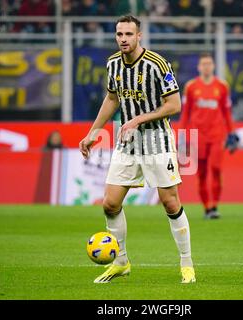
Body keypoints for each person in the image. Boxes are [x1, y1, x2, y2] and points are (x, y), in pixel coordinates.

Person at [79, 15, 195, 284]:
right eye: (119, 34)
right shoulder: (112, 64)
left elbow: (174, 105)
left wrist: (137, 119)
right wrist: (93, 133)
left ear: (139, 36)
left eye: (128, 34)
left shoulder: (157, 64)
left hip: (157, 141)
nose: (123, 39)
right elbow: (111, 98)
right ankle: (121, 263)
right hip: (128, 143)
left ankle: (187, 263)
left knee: (170, 202)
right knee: (110, 204)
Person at [179, 53, 239, 219]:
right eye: (203, 64)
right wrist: (182, 136)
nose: (206, 67)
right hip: (198, 136)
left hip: (216, 135)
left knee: (216, 168)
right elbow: (186, 113)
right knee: (202, 173)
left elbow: (227, 113)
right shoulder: (191, 87)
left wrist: (231, 133)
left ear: (213, 66)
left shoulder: (222, 86)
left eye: (209, 64)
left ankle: (214, 206)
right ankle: (207, 207)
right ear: (199, 67)